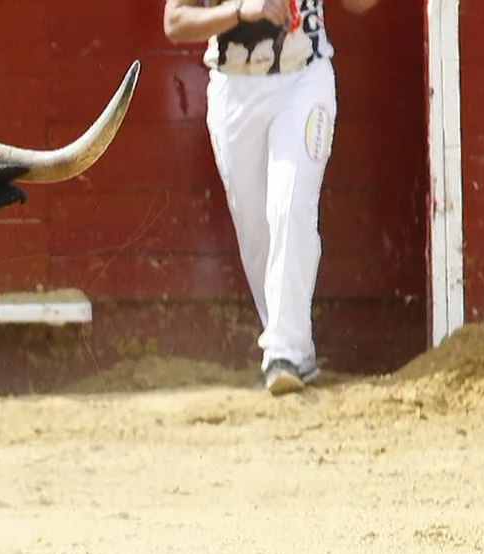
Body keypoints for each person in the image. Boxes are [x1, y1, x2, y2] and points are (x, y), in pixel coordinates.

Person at [162, 0, 380, 395]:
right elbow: (175, 21)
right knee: (256, 229)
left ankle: (284, 352)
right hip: (234, 91)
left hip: (303, 81)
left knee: (290, 206)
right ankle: (293, 348)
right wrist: (240, 10)